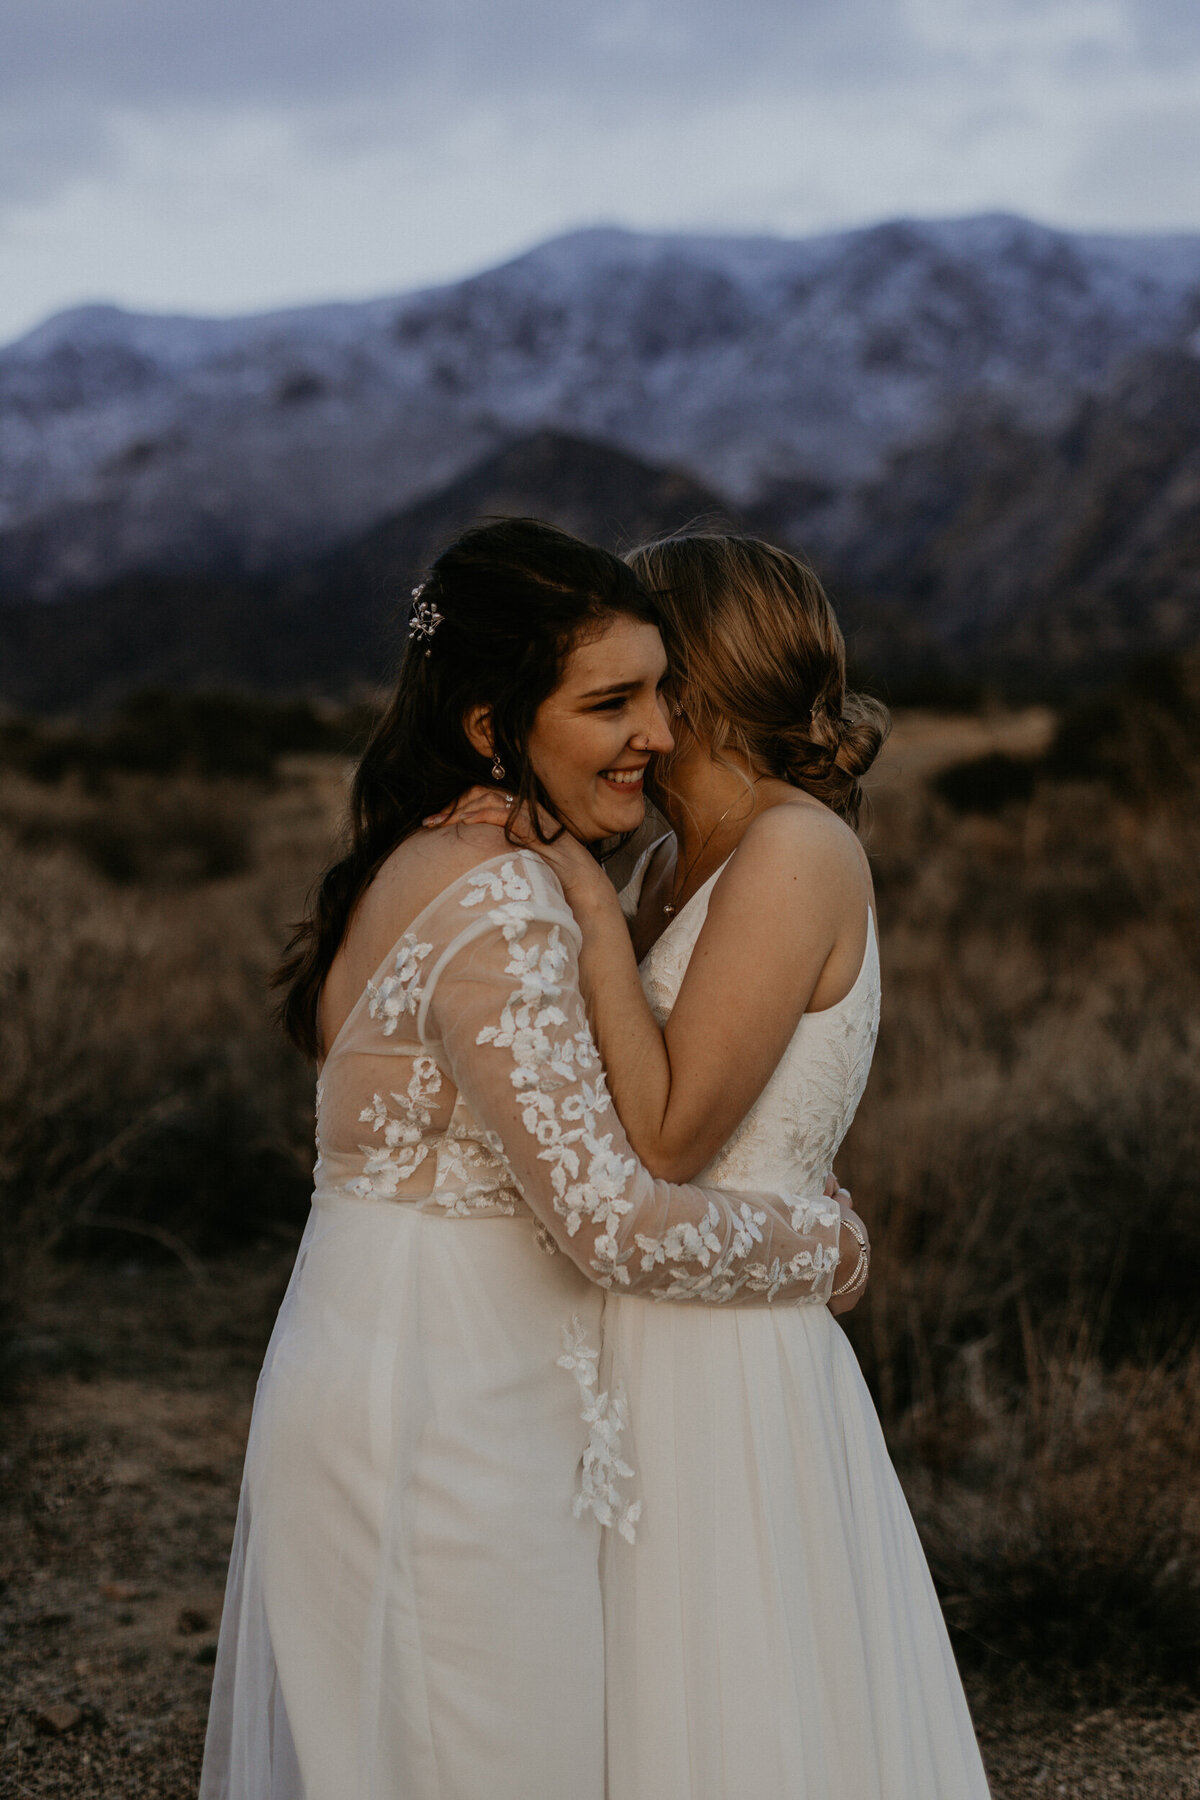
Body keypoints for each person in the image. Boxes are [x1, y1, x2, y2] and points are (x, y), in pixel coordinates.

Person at [198, 519, 869, 1800]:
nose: (662, 733)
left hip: (422, 1373)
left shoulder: (429, 860)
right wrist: (821, 1244)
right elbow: (612, 1220)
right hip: (437, 1411)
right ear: (494, 726)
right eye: (613, 701)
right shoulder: (500, 892)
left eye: (662, 692)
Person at [438, 532, 991, 1798]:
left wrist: (579, 904)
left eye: (646, 681)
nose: (632, 715)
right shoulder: (668, 861)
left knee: (734, 1710)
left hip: (728, 1366)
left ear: (700, 682)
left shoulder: (797, 854)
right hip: (626, 1332)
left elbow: (675, 1136)